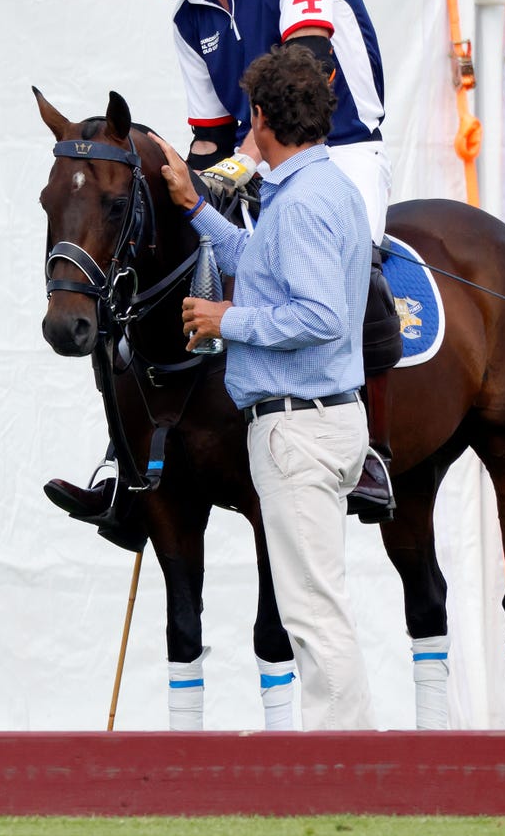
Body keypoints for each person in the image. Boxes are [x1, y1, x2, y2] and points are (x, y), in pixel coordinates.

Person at [45, 0, 400, 535]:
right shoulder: (188, 25)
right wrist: (187, 184)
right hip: (256, 162)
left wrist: (235, 167)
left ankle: (373, 451)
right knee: (146, 261)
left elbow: (306, 82)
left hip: (341, 151)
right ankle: (129, 460)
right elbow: (211, 138)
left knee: (362, 279)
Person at [158, 44, 375, 729]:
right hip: (323, 419)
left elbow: (320, 316)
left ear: (262, 118)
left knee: (312, 610)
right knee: (319, 602)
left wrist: (229, 317)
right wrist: (197, 209)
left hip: (298, 427)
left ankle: (345, 767)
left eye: (250, 122)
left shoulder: (303, 203)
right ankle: (344, 757)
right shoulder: (324, 188)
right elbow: (260, 262)